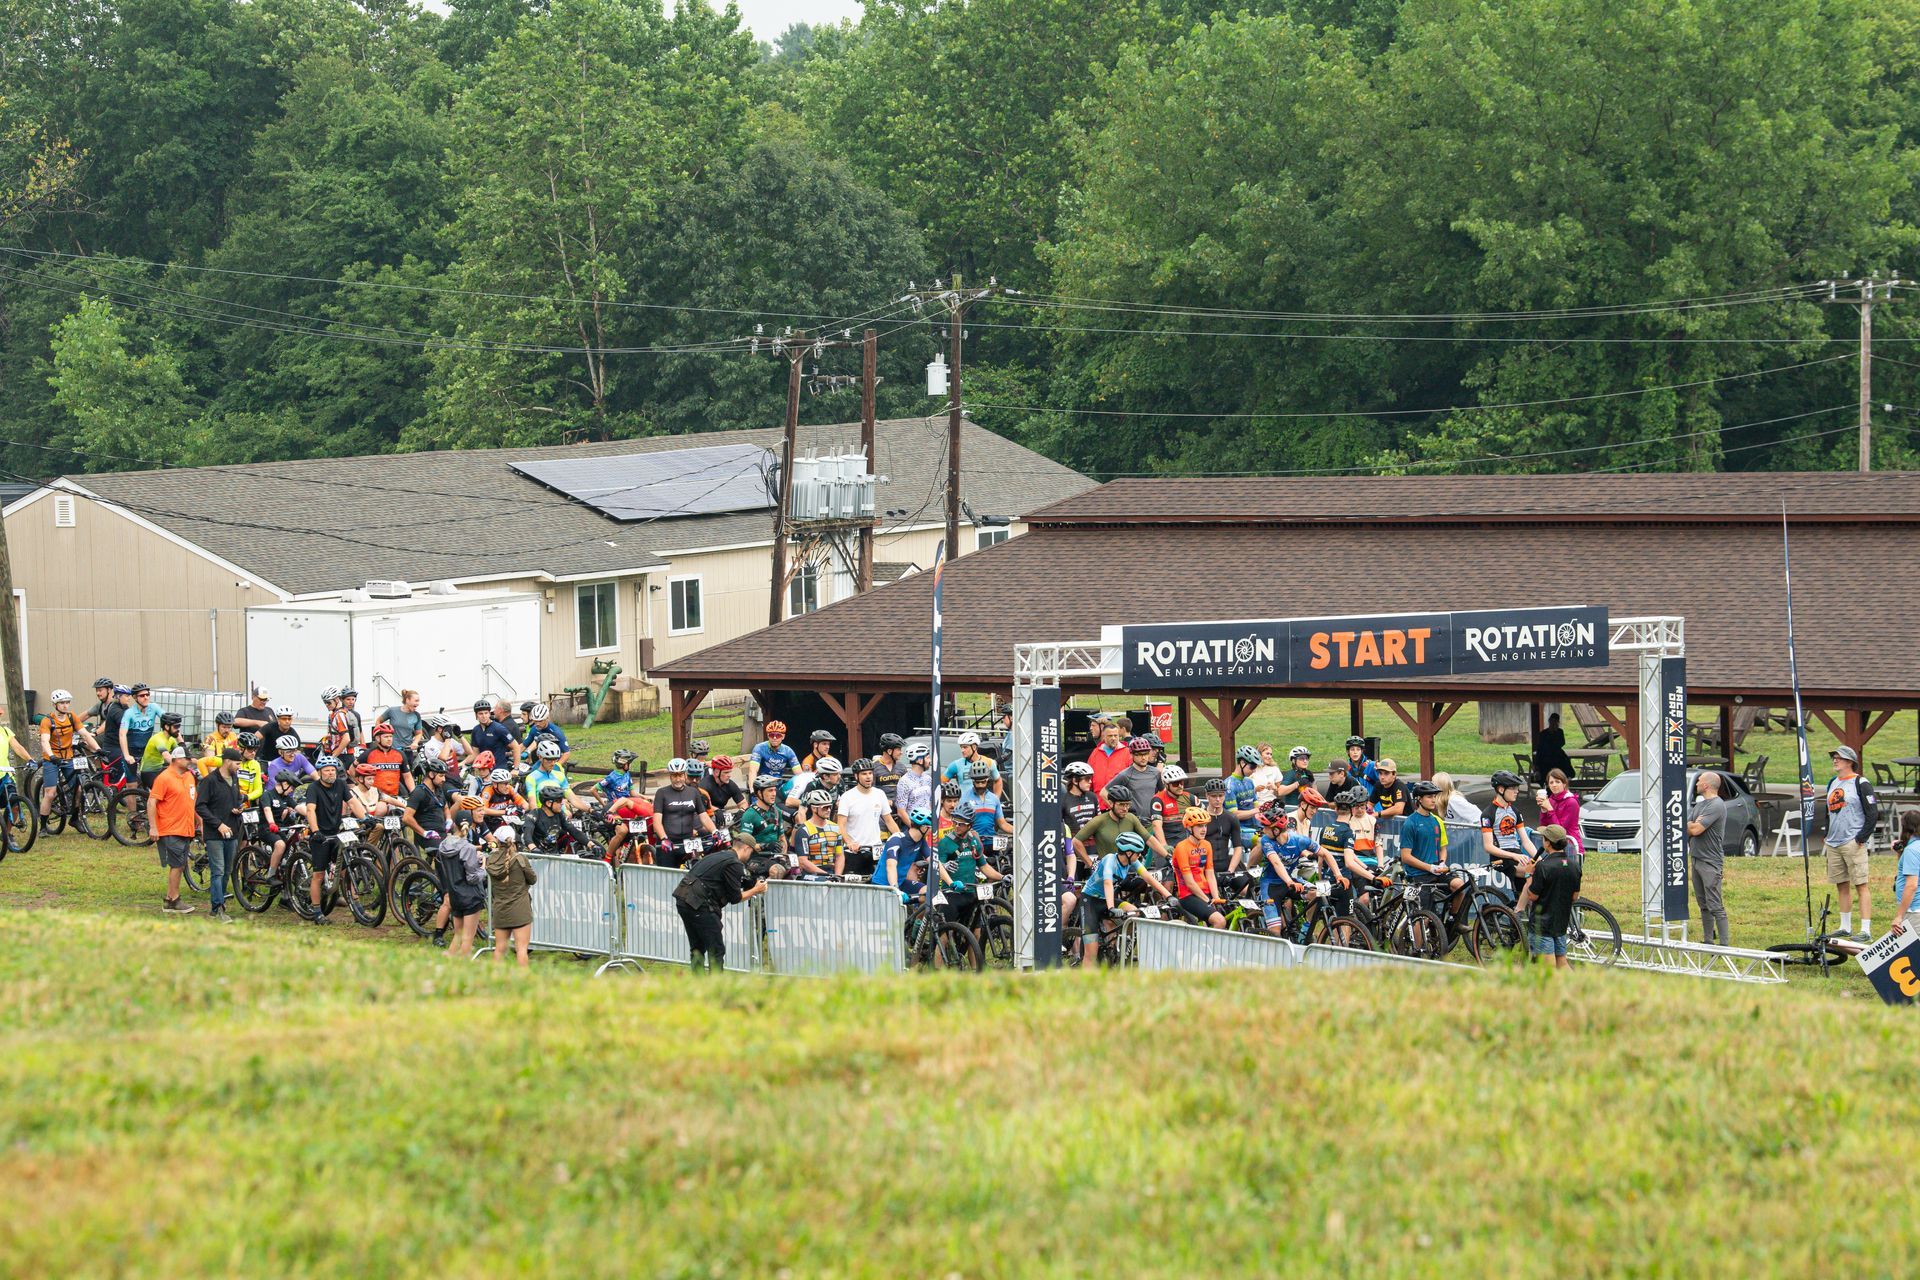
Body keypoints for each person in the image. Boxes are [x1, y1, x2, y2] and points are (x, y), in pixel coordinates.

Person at [674, 830, 767, 973]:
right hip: (699, 903)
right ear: (746, 848)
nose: (750, 857)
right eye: (751, 853)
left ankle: (696, 985)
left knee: (698, 947)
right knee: (716, 950)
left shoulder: (718, 856)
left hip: (683, 898)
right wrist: (756, 889)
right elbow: (735, 898)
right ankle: (715, 988)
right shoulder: (734, 863)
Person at [1079, 831, 1170, 964]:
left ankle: (1118, 948)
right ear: (1128, 853)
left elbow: (1148, 878)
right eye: (1138, 853)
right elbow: (1107, 883)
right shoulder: (1110, 859)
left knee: (1135, 913)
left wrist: (1169, 896)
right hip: (1089, 900)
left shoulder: (1132, 861)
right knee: (1091, 952)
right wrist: (1111, 907)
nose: (1139, 856)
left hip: (1106, 899)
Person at [301, 754, 367, 925]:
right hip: (320, 836)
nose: (331, 773)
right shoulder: (313, 788)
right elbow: (310, 810)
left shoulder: (340, 784)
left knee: (346, 872)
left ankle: (357, 906)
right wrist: (315, 831)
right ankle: (317, 912)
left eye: (333, 770)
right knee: (318, 875)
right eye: (327, 770)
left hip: (336, 833)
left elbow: (352, 803)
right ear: (320, 772)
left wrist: (366, 818)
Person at [1822, 746, 1878, 941]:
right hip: (1833, 842)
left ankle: (1865, 930)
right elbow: (1828, 811)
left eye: (1839, 758)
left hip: (1853, 841)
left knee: (1860, 884)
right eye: (1834, 757)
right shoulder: (1832, 783)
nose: (1835, 760)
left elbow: (1872, 813)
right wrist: (1826, 832)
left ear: (1850, 761)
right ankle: (1845, 926)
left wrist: (1861, 837)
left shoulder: (1861, 783)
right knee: (1841, 884)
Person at [1518, 824, 1582, 970]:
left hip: (1542, 925)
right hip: (1560, 924)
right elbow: (1574, 896)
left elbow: (1533, 896)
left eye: (1543, 838)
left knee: (1548, 968)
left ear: (1548, 842)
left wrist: (1528, 875)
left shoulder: (1543, 867)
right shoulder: (1574, 865)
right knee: (1562, 962)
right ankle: (1578, 990)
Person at [1400, 779, 1465, 918]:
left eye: (1434, 796)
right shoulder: (1410, 823)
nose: (1434, 800)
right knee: (1424, 917)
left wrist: (1441, 862)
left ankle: (1452, 920)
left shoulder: (1437, 821)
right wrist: (1429, 867)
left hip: (1436, 870)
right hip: (1418, 874)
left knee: (1459, 886)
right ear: (1419, 799)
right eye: (1429, 797)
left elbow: (1443, 848)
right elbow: (1405, 857)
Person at [196, 748, 247, 923]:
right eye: (238, 763)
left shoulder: (234, 778)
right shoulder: (210, 781)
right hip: (215, 834)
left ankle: (217, 904)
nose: (239, 767)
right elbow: (200, 806)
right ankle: (218, 908)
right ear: (227, 762)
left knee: (227, 870)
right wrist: (218, 824)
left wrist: (238, 807)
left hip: (232, 830)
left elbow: (236, 798)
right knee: (217, 871)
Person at [147, 746, 199, 915]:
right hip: (170, 828)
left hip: (186, 828)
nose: (190, 761)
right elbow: (151, 802)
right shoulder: (164, 778)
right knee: (177, 865)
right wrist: (153, 826)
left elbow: (192, 800)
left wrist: (199, 819)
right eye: (187, 758)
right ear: (177, 759)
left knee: (181, 864)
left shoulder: (189, 776)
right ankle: (173, 900)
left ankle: (170, 899)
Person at [36, 689, 99, 822]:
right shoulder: (47, 721)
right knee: (50, 793)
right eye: (62, 703)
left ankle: (75, 819)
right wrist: (52, 756)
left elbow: (85, 734)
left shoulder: (71, 717)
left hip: (69, 757)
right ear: (55, 704)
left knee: (79, 789)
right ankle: (42, 826)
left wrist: (98, 749)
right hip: (52, 759)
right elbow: (44, 741)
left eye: (67, 702)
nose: (65, 705)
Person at [1686, 770, 1730, 946]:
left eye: (1698, 781)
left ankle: (1724, 945)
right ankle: (1708, 941)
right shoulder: (1699, 806)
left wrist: (1692, 824)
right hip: (1696, 858)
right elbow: (1686, 826)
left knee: (1715, 905)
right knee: (1703, 904)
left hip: (1710, 862)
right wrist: (1692, 824)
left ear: (1706, 785)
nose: (1696, 784)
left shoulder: (1716, 805)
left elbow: (1696, 830)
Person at [487, 825, 539, 966]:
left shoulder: (491, 859)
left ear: (498, 841)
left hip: (500, 909)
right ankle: (522, 981)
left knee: (499, 949)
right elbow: (533, 879)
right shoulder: (520, 859)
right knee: (521, 949)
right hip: (520, 909)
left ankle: (493, 978)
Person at [1481, 770, 1538, 900]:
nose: (1517, 791)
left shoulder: (1515, 811)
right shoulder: (1488, 813)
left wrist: (1539, 859)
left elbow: (1526, 841)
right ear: (1501, 789)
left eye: (1517, 788)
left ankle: (1521, 911)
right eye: (1512, 788)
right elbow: (1488, 847)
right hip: (1500, 857)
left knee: (1535, 877)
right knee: (1534, 873)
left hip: (1516, 855)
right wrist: (1514, 855)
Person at [836, 758, 897, 878]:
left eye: (870, 773)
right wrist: (849, 843)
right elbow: (841, 825)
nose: (868, 777)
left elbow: (889, 821)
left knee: (879, 884)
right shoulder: (847, 797)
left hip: (876, 849)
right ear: (856, 776)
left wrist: (899, 838)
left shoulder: (879, 794)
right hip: (855, 851)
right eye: (864, 774)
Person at [436, 821, 488, 959]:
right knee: (467, 937)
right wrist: (483, 868)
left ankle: (449, 958)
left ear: (454, 825)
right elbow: (472, 878)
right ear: (469, 826)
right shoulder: (469, 848)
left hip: (455, 895)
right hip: (471, 897)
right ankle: (464, 964)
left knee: (458, 935)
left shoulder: (443, 845)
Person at [652, 758, 717, 868]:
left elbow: (704, 816)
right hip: (668, 844)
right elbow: (657, 821)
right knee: (667, 879)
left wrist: (714, 831)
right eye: (674, 775)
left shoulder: (693, 792)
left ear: (685, 775)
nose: (678, 779)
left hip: (688, 842)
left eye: (680, 775)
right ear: (670, 776)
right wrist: (664, 838)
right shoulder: (662, 793)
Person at [1171, 807, 1225, 928]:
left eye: (1205, 826)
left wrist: (1216, 897)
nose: (1204, 830)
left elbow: (1210, 874)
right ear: (1190, 828)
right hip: (1188, 895)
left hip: (1206, 892)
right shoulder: (1181, 847)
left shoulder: (1207, 845)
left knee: (1226, 916)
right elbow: (1189, 883)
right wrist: (1207, 901)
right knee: (1219, 921)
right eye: (1199, 826)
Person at [875, 808, 935, 897]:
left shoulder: (921, 841)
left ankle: (918, 910)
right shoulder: (896, 839)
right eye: (930, 828)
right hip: (883, 885)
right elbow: (891, 866)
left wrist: (951, 883)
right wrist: (895, 889)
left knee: (928, 894)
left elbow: (935, 863)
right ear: (924, 828)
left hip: (900, 882)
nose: (931, 831)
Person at [1536, 769, 1583, 853]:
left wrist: (1550, 809)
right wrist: (1543, 809)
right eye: (1551, 782)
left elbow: (1560, 830)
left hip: (1570, 845)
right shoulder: (1551, 800)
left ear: (1564, 784)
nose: (1554, 785)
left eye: (1557, 782)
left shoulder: (1571, 802)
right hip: (1554, 846)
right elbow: (1544, 827)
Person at [118, 684, 161, 779]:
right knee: (132, 785)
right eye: (142, 696)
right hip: (131, 751)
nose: (146, 697)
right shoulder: (129, 713)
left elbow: (168, 721)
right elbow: (122, 734)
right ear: (135, 697)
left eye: (147, 694)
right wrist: (126, 755)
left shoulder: (154, 707)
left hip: (146, 751)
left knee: (152, 781)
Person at [1223, 747, 1262, 850]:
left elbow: (1256, 805)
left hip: (1256, 826)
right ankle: (1250, 866)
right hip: (1239, 829)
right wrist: (1257, 810)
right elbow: (1234, 815)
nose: (1254, 770)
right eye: (1252, 766)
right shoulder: (1229, 786)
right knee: (1263, 843)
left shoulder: (1249, 782)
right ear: (1242, 762)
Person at [746, 720, 799, 793]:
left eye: (778, 735)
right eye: (771, 735)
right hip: (761, 786)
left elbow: (799, 773)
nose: (774, 738)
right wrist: (752, 790)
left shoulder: (788, 751)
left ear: (783, 736)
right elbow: (753, 771)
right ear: (768, 736)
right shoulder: (759, 748)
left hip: (778, 786)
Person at [1085, 716, 1131, 799]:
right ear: (1104, 736)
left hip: (1119, 803)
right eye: (1110, 736)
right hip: (1099, 802)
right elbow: (1088, 776)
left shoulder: (1127, 753)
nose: (1113, 738)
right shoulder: (1096, 752)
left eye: (1115, 736)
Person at [470, 700, 519, 772]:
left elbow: (516, 747)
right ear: (476, 715)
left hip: (499, 770)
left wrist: (516, 768)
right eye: (480, 714)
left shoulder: (498, 728)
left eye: (486, 713)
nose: (484, 716)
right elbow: (475, 754)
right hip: (484, 772)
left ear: (489, 714)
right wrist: (462, 763)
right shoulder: (476, 730)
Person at [138, 712, 184, 789]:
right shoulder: (158, 739)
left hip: (160, 769)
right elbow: (166, 756)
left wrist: (198, 763)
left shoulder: (171, 739)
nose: (178, 729)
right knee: (167, 792)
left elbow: (183, 753)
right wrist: (182, 765)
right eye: (176, 726)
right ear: (166, 726)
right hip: (149, 773)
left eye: (179, 726)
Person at [894, 743, 935, 831]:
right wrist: (915, 829)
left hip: (928, 827)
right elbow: (901, 812)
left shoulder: (928, 779)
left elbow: (930, 803)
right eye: (927, 758)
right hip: (912, 828)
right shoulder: (904, 781)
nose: (930, 760)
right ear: (920, 760)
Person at [1892, 811, 1920, 936]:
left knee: (1911, 954)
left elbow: (1911, 885)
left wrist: (1899, 916)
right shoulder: (1913, 847)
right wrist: (1901, 852)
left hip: (1914, 910)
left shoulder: (1912, 850)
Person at [376, 689, 425, 754]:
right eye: (416, 701)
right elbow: (378, 721)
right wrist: (380, 738)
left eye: (418, 701)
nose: (418, 703)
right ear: (407, 700)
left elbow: (419, 733)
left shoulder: (416, 715)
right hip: (392, 750)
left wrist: (415, 742)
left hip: (407, 750)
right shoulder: (392, 711)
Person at [1531, 712, 1574, 785]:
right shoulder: (1543, 733)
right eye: (1551, 721)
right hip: (1545, 758)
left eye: (1555, 722)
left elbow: (1562, 743)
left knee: (1565, 765)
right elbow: (1540, 747)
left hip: (1557, 757)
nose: (1553, 723)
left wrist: (1555, 732)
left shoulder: (1559, 732)